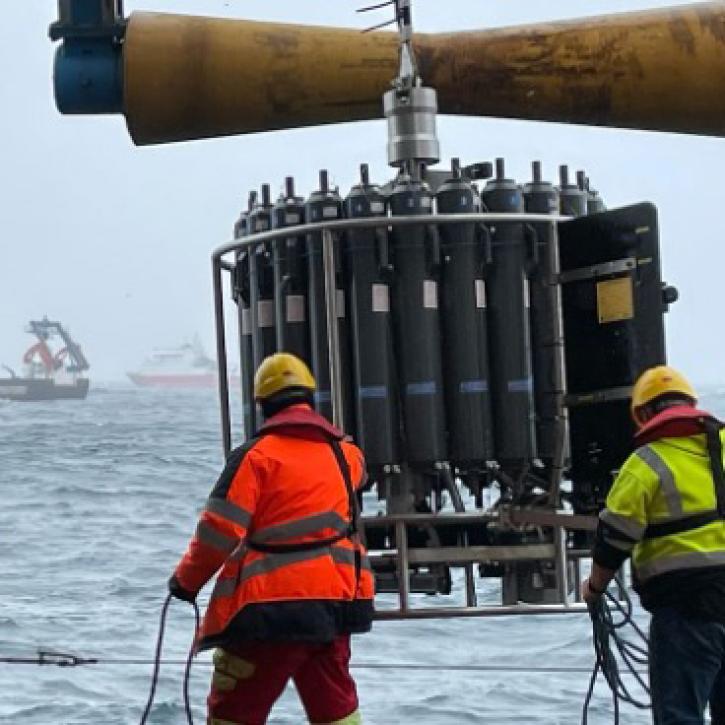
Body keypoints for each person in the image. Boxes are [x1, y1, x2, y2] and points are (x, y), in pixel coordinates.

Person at [168, 352, 374, 725]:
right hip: (333, 606)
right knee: (336, 708)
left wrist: (185, 583)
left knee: (235, 708)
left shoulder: (255, 458)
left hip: (269, 612)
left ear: (262, 405)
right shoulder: (347, 455)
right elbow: (357, 481)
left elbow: (218, 531)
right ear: (310, 400)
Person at [582, 365, 725, 725]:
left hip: (688, 611)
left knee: (679, 716)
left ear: (644, 415)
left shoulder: (645, 464)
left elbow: (613, 537)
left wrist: (595, 588)